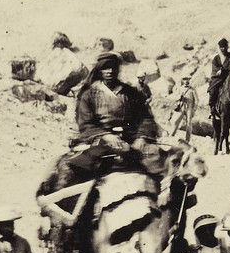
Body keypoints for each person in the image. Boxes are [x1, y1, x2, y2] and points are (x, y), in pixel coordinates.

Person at [48, 52, 163, 192]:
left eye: (113, 68)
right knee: (72, 170)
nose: (110, 71)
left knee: (159, 163)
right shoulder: (89, 95)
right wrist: (106, 136)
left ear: (118, 70)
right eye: (105, 68)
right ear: (99, 70)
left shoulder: (130, 93)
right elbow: (86, 123)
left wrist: (141, 137)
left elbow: (145, 117)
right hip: (98, 140)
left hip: (130, 140)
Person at [206, 38, 230, 110]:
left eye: (225, 47)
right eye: (221, 47)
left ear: (227, 47)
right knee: (213, 90)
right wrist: (219, 71)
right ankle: (213, 109)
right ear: (219, 48)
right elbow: (214, 70)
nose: (223, 48)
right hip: (219, 78)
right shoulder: (216, 59)